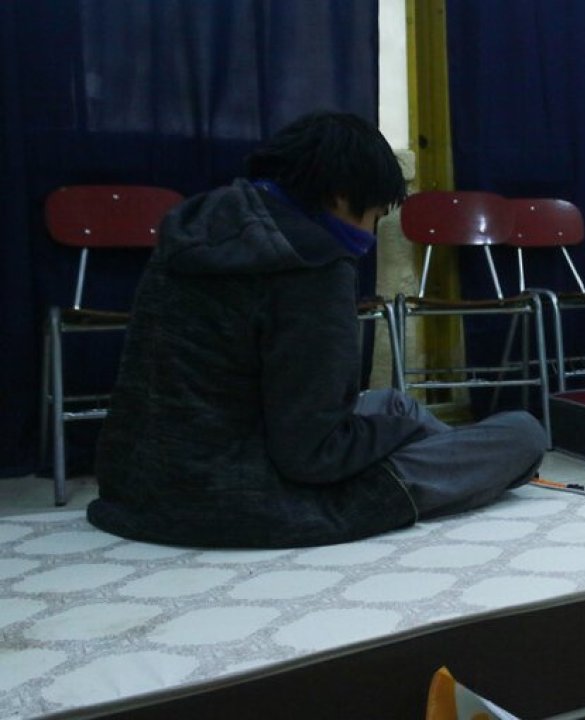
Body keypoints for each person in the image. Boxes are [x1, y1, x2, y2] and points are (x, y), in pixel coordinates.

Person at [89, 111, 548, 549]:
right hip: (243, 501)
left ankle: (454, 463)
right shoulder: (313, 263)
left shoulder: (199, 228)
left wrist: (393, 425)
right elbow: (313, 455)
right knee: (522, 434)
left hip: (139, 485)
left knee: (394, 404)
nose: (371, 233)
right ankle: (462, 470)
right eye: (375, 215)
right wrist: (397, 434)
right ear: (342, 196)